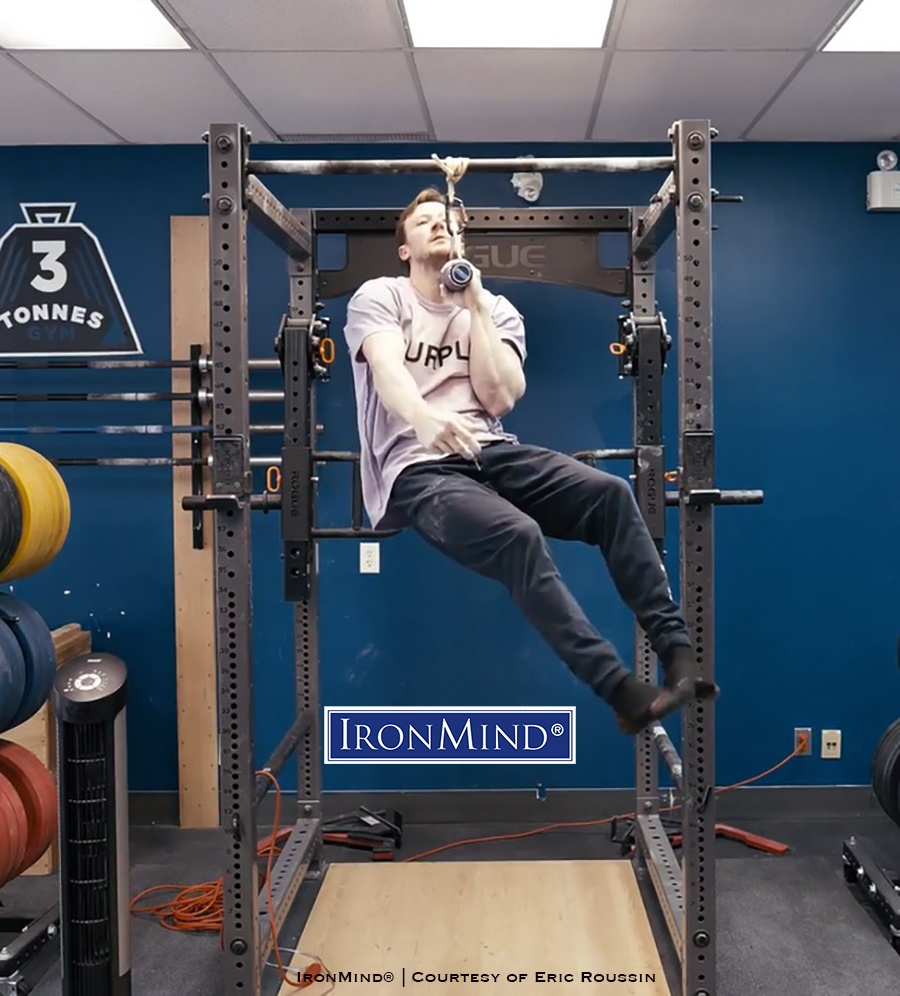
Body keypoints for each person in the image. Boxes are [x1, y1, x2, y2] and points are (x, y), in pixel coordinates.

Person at [342, 187, 717, 734]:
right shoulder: (381, 296)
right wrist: (425, 420)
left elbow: (500, 398)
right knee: (519, 536)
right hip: (416, 468)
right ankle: (620, 689)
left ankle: (679, 656)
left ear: (463, 237)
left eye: (446, 220)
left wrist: (473, 309)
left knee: (611, 494)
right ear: (404, 248)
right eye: (424, 222)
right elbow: (385, 370)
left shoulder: (494, 310)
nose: (437, 226)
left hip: (490, 450)